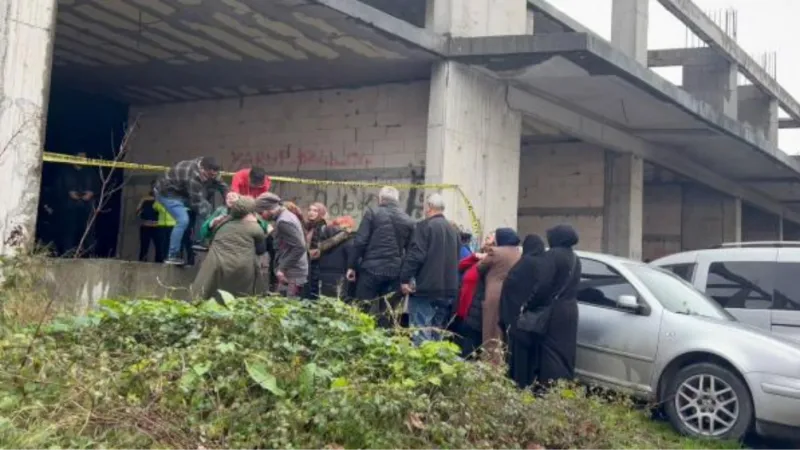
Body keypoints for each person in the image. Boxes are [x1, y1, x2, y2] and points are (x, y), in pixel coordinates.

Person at [346, 186, 415, 326]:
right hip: (395, 273)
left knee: (362, 310)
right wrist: (406, 278)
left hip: (370, 271)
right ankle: (384, 343)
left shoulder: (372, 213)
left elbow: (360, 242)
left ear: (380, 199)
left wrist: (351, 266)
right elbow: (411, 252)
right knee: (387, 314)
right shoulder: (408, 220)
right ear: (397, 200)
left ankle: (362, 342)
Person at [399, 193, 460, 345]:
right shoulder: (454, 231)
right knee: (436, 334)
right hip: (448, 289)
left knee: (420, 333)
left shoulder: (424, 226)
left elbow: (415, 255)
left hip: (425, 288)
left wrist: (405, 279)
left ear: (429, 208)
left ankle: (422, 366)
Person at [500, 234, 556, 389]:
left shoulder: (526, 263)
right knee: (533, 355)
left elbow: (511, 287)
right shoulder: (546, 263)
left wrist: (514, 311)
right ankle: (531, 383)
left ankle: (518, 384)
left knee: (518, 356)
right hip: (538, 319)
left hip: (519, 319)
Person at [154, 156, 228, 265]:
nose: (211, 177)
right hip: (167, 194)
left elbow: (223, 187)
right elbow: (197, 203)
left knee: (206, 207)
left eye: (214, 175)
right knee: (183, 219)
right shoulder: (193, 174)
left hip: (183, 192)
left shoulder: (212, 170)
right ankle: (172, 256)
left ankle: (199, 241)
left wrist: (229, 200)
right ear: (202, 169)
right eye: (209, 175)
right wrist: (211, 221)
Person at [191, 196, 266, 301]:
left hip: (215, 264)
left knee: (208, 296)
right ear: (250, 213)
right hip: (242, 267)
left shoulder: (221, 223)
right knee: (240, 299)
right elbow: (261, 250)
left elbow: (208, 236)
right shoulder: (255, 227)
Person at [535, 224, 582, 385]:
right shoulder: (575, 258)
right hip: (570, 308)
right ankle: (564, 384)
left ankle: (549, 386)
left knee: (550, 350)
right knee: (565, 350)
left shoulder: (552, 255)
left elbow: (543, 284)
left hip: (554, 310)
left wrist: (532, 303)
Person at [473, 227, 521, 364]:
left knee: (491, 328)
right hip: (510, 294)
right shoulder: (518, 252)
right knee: (502, 330)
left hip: (494, 294)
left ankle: (491, 363)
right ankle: (502, 361)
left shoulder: (495, 252)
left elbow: (479, 267)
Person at [255, 193, 308, 298]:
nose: (261, 216)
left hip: (292, 272)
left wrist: (282, 269)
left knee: (288, 308)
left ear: (270, 209)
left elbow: (300, 247)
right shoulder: (287, 216)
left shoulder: (283, 221)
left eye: (261, 212)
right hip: (292, 270)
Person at [56, 152, 100, 256]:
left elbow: (99, 188)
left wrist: (91, 193)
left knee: (88, 233)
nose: (83, 160)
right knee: (69, 233)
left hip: (87, 208)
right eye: (80, 157)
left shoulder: (91, 172)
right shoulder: (65, 172)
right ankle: (67, 255)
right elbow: (57, 189)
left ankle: (88, 255)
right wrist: (68, 193)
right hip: (70, 208)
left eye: (84, 158)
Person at [317, 216, 356, 299]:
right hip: (340, 278)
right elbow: (352, 259)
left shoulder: (322, 237)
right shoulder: (349, 241)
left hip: (321, 276)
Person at [136, 182, 175, 263]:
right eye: (154, 187)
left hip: (158, 227)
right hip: (146, 226)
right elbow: (137, 211)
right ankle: (142, 263)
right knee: (144, 248)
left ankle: (159, 265)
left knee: (160, 249)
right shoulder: (145, 199)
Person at [303, 202, 329, 300]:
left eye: (315, 210)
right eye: (309, 210)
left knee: (313, 290)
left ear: (321, 213)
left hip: (317, 264)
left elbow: (319, 247)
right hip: (309, 262)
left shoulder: (322, 227)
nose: (311, 212)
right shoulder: (310, 226)